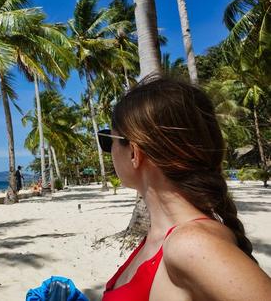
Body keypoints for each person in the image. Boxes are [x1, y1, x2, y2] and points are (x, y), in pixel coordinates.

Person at [98, 78, 271, 300]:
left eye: (107, 140)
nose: (107, 150)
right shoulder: (163, 236)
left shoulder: (191, 245)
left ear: (134, 152)